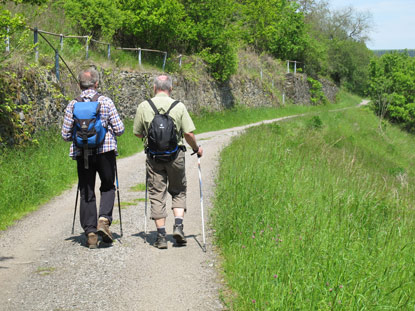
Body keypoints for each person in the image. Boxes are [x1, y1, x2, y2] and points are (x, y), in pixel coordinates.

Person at [133, 74, 203, 249]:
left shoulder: (144, 106)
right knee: (179, 190)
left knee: (157, 194)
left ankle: (161, 237)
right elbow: (188, 134)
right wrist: (196, 149)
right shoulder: (178, 106)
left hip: (154, 157)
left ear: (154, 88)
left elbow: (138, 133)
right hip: (175, 155)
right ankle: (178, 226)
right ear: (171, 88)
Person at [62, 67, 125, 249]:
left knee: (87, 190)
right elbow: (120, 129)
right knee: (107, 186)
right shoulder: (105, 102)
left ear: (79, 84)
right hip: (105, 152)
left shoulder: (73, 104)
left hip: (83, 154)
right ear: (96, 83)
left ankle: (90, 232)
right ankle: (103, 220)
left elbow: (65, 135)